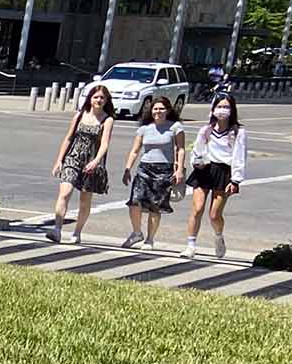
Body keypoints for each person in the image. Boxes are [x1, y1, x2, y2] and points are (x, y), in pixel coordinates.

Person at [46, 84, 115, 245]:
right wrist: (59, 160)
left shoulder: (107, 119)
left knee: (85, 200)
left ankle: (77, 232)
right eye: (96, 97)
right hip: (73, 157)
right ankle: (57, 229)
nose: (98, 100)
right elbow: (68, 138)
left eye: (102, 98)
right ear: (90, 99)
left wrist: (96, 161)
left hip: (91, 161)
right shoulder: (79, 115)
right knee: (65, 193)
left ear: (106, 101)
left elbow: (105, 143)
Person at [183, 94, 246, 260]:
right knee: (197, 209)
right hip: (204, 170)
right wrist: (196, 162)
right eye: (219, 107)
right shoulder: (206, 130)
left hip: (223, 172)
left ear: (232, 110)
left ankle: (218, 236)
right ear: (213, 109)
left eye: (226, 107)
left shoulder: (238, 132)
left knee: (214, 214)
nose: (222, 110)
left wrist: (235, 179)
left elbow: (239, 156)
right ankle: (190, 245)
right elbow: (197, 150)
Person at [119, 95, 185, 251]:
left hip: (164, 170)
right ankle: (136, 232)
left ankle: (149, 239)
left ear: (168, 110)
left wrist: (179, 169)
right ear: (151, 110)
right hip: (144, 168)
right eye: (156, 108)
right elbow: (135, 151)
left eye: (162, 108)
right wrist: (127, 169)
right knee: (134, 202)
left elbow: (180, 149)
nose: (158, 111)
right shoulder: (144, 128)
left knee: (155, 206)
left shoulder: (175, 127)